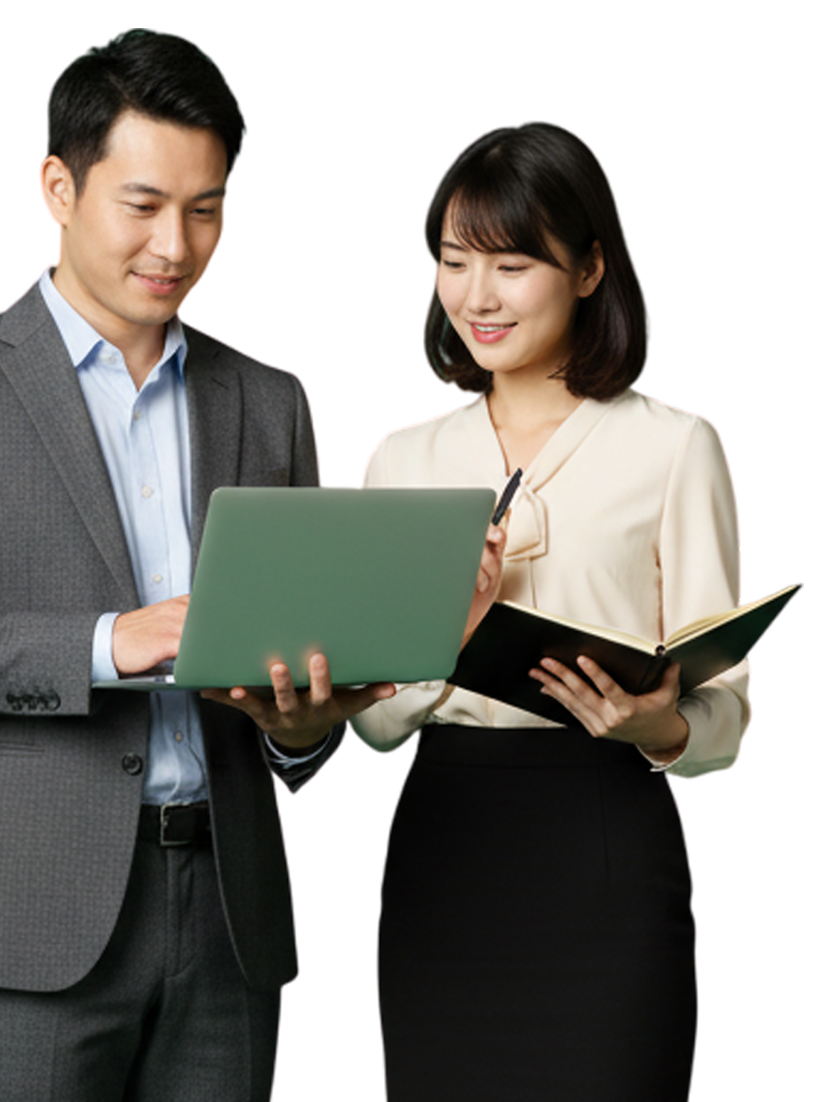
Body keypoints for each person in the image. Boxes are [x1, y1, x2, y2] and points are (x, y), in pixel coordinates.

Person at [0, 31, 393, 1102]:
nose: (176, 244)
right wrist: (106, 642)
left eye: (205, 208)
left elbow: (289, 657)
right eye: (142, 205)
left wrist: (298, 732)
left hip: (231, 913)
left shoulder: (266, 403)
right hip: (27, 919)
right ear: (58, 186)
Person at [348, 122, 750, 1102]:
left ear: (587, 268)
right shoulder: (402, 466)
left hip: (600, 840)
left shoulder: (669, 447)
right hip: (444, 842)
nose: (475, 296)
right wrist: (441, 637)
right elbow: (359, 722)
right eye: (453, 263)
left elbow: (728, 705)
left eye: (511, 263)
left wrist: (657, 722)